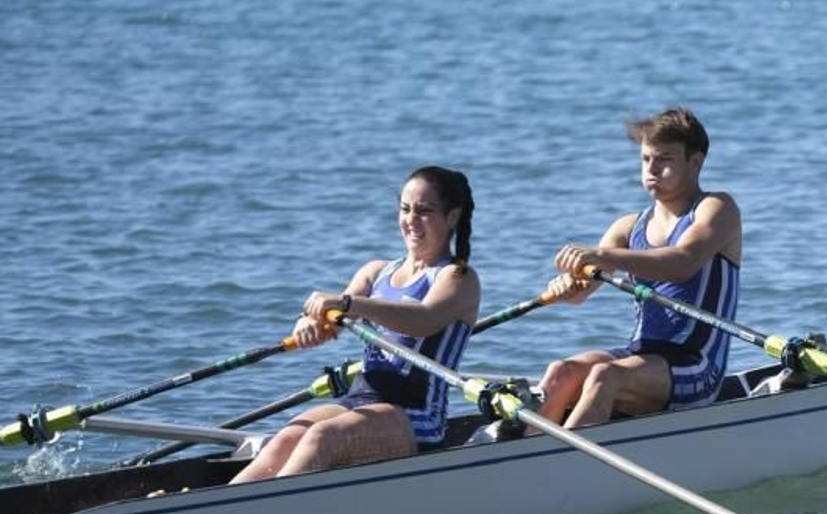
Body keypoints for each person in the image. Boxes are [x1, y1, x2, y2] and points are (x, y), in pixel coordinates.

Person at [231, 166, 480, 483]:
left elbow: (423, 320)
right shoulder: (376, 272)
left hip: (416, 416)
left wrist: (349, 305)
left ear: (453, 217)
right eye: (405, 209)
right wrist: (310, 322)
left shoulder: (458, 278)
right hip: (360, 399)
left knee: (323, 438)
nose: (411, 221)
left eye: (424, 211)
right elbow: (332, 324)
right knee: (285, 438)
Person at [538, 106, 741, 428]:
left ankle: (562, 467)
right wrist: (566, 286)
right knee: (562, 372)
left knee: (606, 376)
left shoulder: (717, 209)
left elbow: (683, 263)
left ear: (695, 162)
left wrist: (603, 256)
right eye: (646, 159)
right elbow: (581, 292)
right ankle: (531, 455)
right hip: (641, 356)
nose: (652, 169)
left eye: (664, 159)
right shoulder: (628, 227)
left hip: (698, 366)